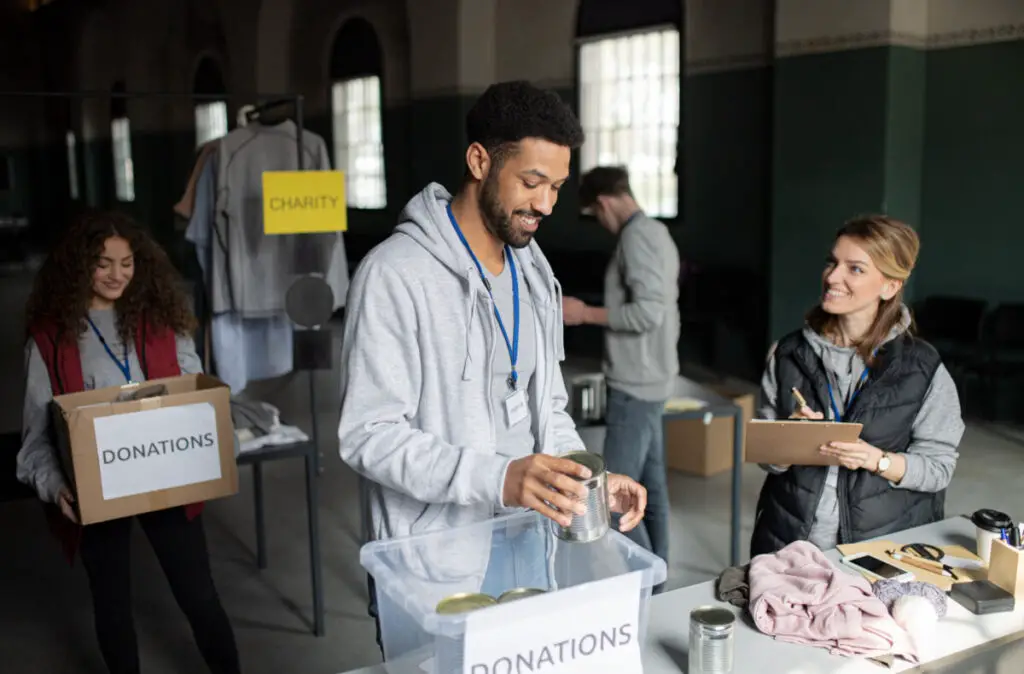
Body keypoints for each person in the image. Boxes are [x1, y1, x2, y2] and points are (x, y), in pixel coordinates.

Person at [337, 81, 648, 646]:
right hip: (436, 558)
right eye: (531, 183)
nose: (546, 205)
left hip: (530, 538)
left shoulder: (532, 273)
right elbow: (368, 435)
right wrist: (500, 478)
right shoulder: (394, 275)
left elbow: (546, 406)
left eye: (556, 186)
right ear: (479, 160)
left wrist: (585, 478)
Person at [17, 211, 241, 674]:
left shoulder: (161, 319)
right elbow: (34, 442)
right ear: (80, 265)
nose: (117, 274)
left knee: (200, 596)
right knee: (113, 607)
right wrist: (56, 487)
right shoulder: (49, 340)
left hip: (166, 475)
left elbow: (195, 394)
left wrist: (217, 439)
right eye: (103, 263)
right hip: (95, 489)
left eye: (127, 262)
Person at [750, 216, 964, 556]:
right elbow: (766, 459)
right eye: (832, 263)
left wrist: (876, 460)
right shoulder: (787, 353)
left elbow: (939, 468)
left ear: (889, 286)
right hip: (791, 543)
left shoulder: (923, 367)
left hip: (883, 549)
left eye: (856, 269)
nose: (833, 276)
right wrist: (789, 437)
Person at [561, 166, 680, 564]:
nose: (602, 224)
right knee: (652, 488)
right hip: (654, 377)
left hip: (636, 383)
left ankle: (642, 575)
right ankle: (659, 577)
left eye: (596, 215)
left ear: (604, 203)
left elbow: (648, 314)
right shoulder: (657, 232)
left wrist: (583, 314)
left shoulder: (635, 238)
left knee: (614, 495)